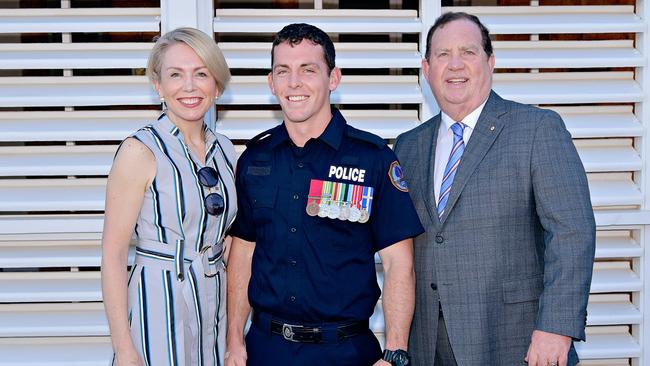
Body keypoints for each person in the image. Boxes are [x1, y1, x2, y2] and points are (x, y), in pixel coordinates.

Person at [393, 12, 596, 366]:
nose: (455, 65)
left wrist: (556, 328)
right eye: (443, 55)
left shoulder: (536, 129)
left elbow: (572, 232)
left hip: (515, 341)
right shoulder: (408, 146)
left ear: (490, 62)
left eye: (468, 52)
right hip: (427, 345)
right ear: (426, 69)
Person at [224, 23, 424, 366]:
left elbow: (398, 264)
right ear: (271, 82)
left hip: (346, 352)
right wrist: (233, 343)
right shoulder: (255, 160)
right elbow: (242, 254)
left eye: (308, 69)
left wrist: (394, 353)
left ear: (333, 78)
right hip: (266, 350)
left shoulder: (372, 158)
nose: (294, 82)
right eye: (282, 71)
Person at [101, 27, 236, 366]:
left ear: (216, 85)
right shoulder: (140, 150)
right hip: (157, 304)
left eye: (201, 74)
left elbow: (230, 238)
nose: (189, 87)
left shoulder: (227, 152)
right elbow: (114, 254)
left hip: (213, 305)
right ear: (159, 86)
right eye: (176, 75)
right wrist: (124, 348)